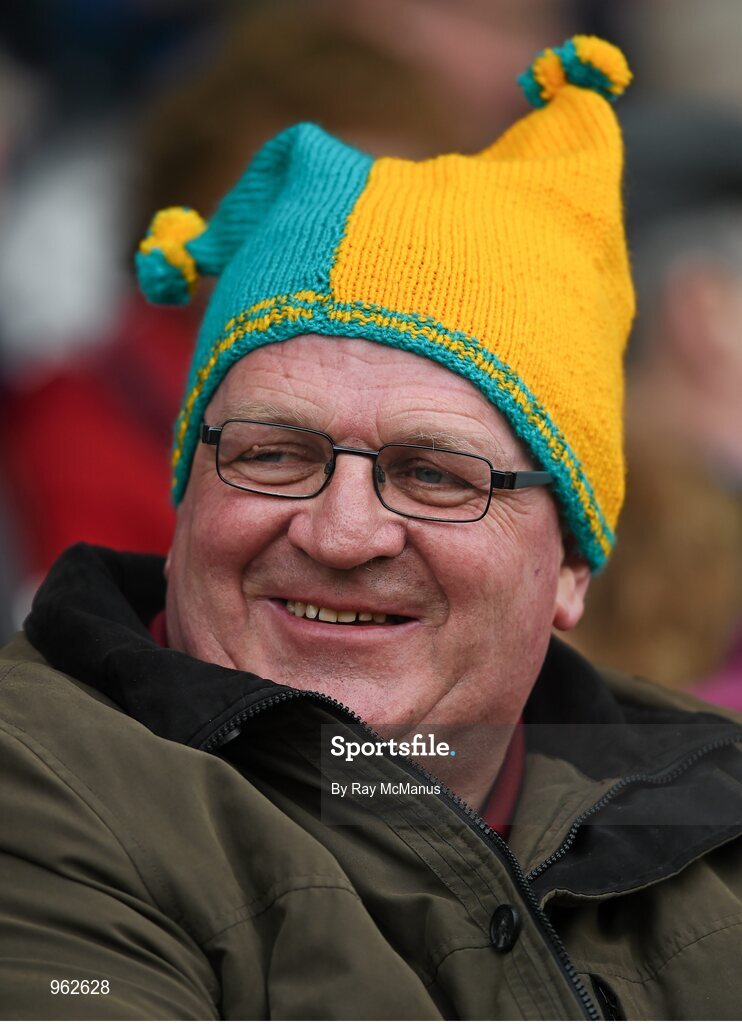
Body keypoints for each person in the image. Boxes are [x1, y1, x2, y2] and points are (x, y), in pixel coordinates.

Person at [1, 37, 740, 1021]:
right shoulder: (35, 786)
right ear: (184, 497)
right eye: (271, 454)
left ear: (569, 562)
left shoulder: (706, 797)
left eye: (434, 475)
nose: (343, 532)